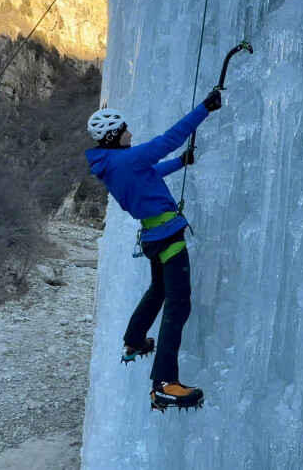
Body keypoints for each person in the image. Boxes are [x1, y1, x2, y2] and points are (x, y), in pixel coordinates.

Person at [84, 90, 223, 412]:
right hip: (167, 234)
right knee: (178, 302)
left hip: (152, 236)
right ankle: (163, 383)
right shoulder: (127, 158)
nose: (131, 134)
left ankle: (134, 339)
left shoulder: (112, 165)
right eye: (125, 130)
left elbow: (149, 174)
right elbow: (168, 139)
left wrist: (179, 163)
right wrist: (204, 108)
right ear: (114, 134)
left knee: (159, 289)